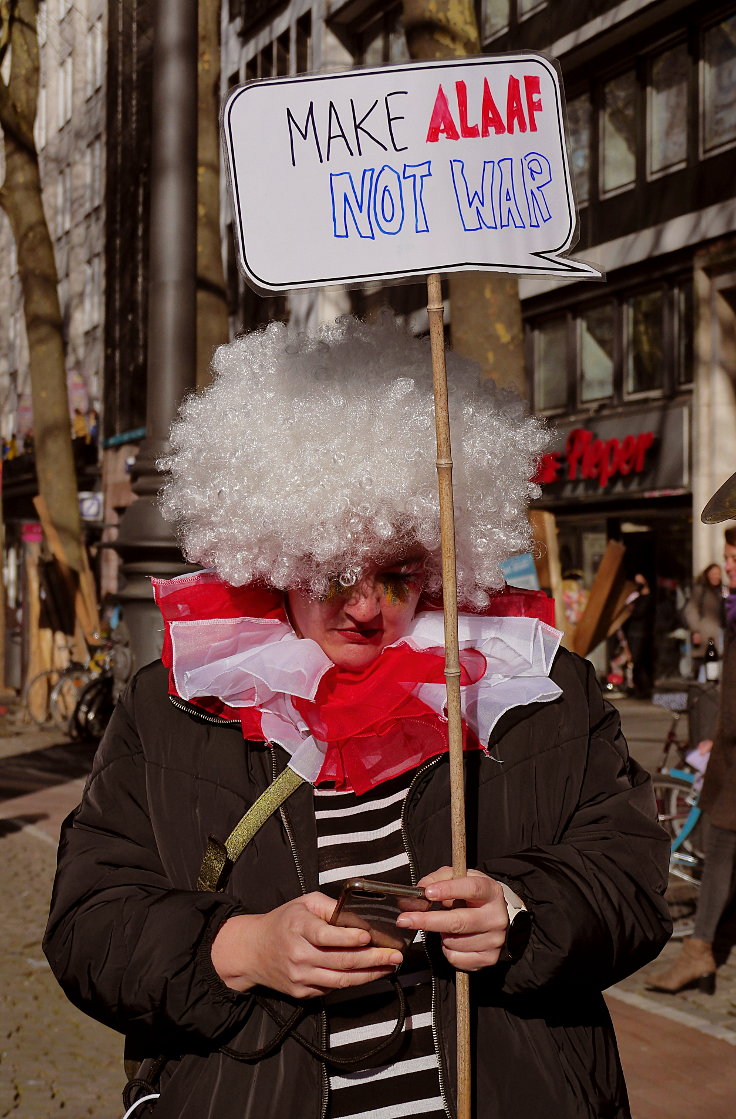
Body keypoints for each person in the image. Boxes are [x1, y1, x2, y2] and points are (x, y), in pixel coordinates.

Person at [43, 316, 671, 1119]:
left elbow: (633, 881)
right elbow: (89, 925)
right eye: (334, 570)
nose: (368, 605)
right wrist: (241, 949)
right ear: (275, 551)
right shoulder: (177, 705)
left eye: (400, 571)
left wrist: (521, 913)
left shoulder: (533, 686)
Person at [648, 524, 736, 995]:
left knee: (723, 852)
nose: (730, 568)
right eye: (727, 558)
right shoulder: (730, 611)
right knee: (721, 850)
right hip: (730, 758)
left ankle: (701, 952)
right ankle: (700, 951)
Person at [683, 563, 725, 677]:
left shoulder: (723, 590)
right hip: (705, 633)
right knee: (704, 662)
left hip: (720, 632)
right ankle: (701, 690)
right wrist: (695, 631)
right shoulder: (701, 590)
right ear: (707, 575)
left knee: (717, 664)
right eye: (713, 573)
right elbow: (691, 611)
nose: (716, 576)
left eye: (718, 574)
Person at [622, 573, 655, 697]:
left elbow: (639, 613)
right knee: (636, 662)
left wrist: (632, 609)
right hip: (635, 633)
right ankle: (639, 688)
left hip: (643, 633)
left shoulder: (648, 598)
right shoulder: (636, 597)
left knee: (641, 661)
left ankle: (644, 688)